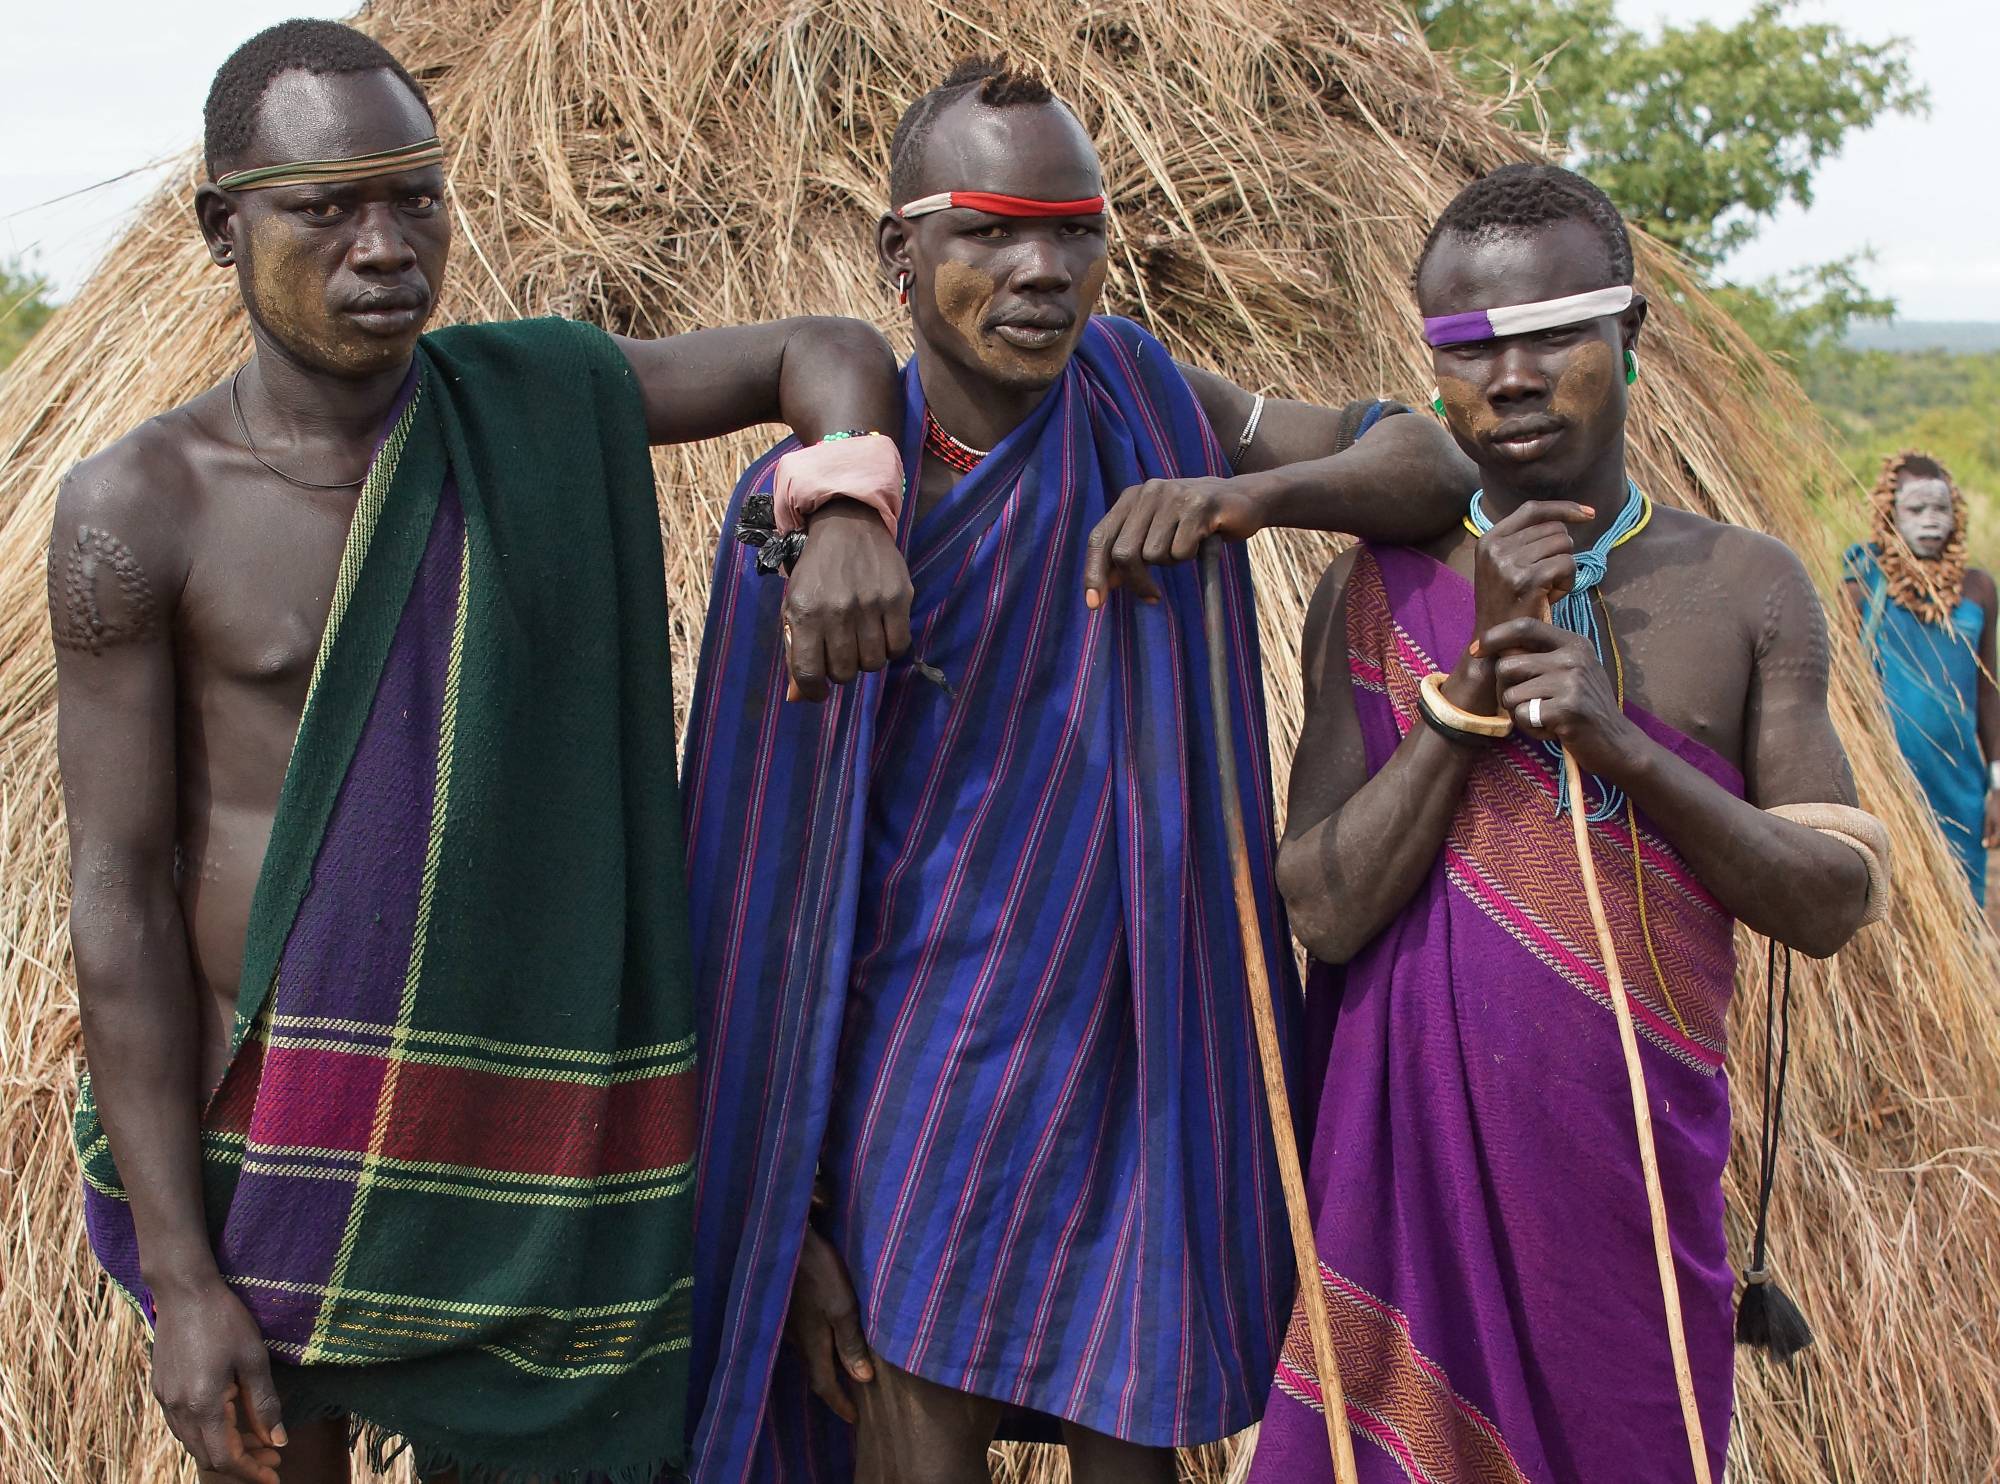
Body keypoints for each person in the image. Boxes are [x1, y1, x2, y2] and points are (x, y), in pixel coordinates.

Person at [53, 20, 910, 1484]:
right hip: (271, 1151)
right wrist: (187, 1284)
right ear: (223, 225)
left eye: (416, 200)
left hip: (530, 1139)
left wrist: (844, 500)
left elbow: (823, 350)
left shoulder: (534, 403)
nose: (384, 247)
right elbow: (120, 899)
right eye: (328, 209)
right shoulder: (141, 510)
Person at [680, 56, 1478, 1484]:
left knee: (1138, 1439)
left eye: (1076, 229)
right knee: (914, 1436)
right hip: (921, 1069)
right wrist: (789, 1206)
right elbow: (758, 872)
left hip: (1146, 1046)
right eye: (989, 228)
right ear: (900, 253)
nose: (1042, 268)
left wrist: (1248, 498)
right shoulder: (806, 524)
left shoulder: (1147, 401)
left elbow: (1422, 462)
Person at [1252, 164, 1888, 1482]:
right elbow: (1319, 902)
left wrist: (1625, 751)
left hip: (1626, 1206)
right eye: (1471, 346)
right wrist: (1467, 699)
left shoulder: (1741, 589)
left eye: (1553, 333)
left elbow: (1832, 897)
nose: (1513, 375)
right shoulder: (1374, 594)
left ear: (1629, 338)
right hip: (1399, 1219)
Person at [1843, 452, 1999, 905]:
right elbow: (1845, 696)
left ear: (1957, 514)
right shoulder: (1862, 588)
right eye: (1915, 510)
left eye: (1941, 509)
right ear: (1889, 515)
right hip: (1889, 783)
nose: (1931, 522)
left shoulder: (1978, 591)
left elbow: (1988, 693)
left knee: (1961, 905)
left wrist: (1997, 785)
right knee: (1895, 907)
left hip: (1961, 783)